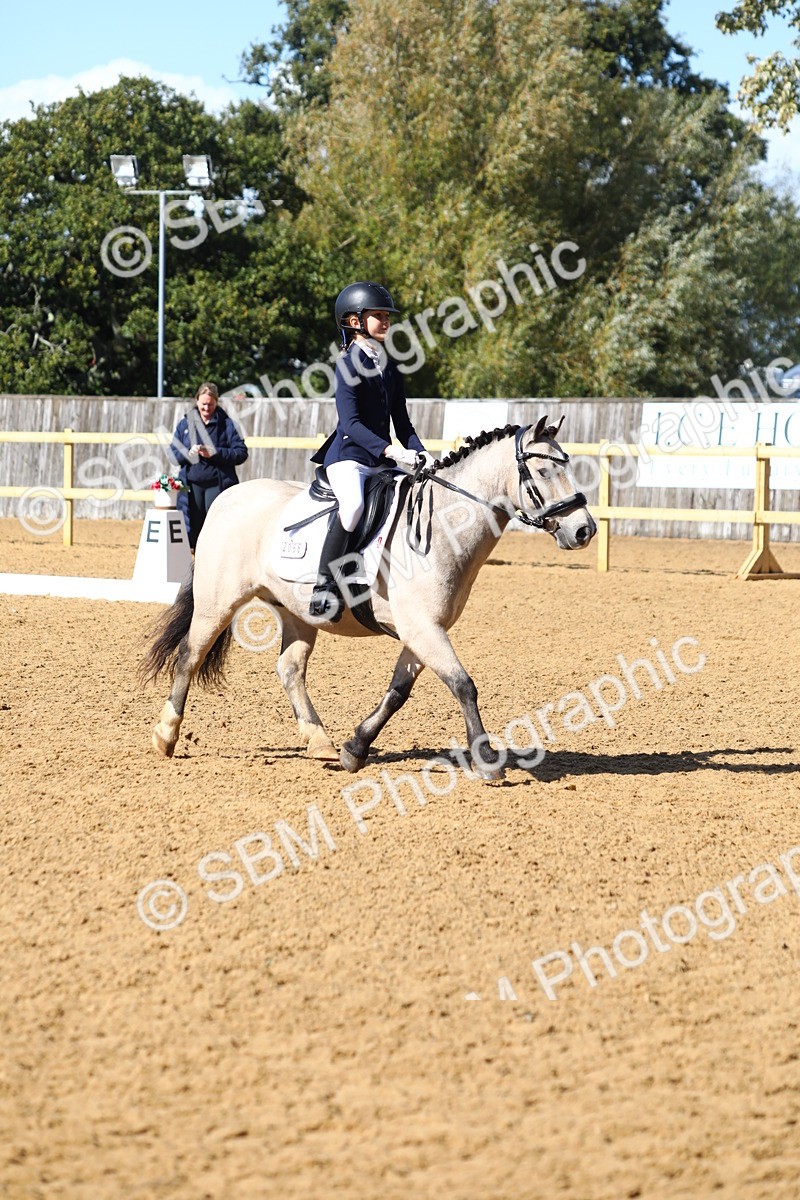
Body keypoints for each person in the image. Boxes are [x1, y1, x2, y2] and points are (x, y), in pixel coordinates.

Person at [309, 281, 434, 620]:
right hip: (348, 457)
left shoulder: (390, 367)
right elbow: (350, 424)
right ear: (354, 322)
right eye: (377, 316)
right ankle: (324, 587)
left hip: (381, 459)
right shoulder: (347, 363)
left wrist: (422, 454)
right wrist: (392, 451)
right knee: (353, 506)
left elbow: (403, 422)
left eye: (386, 316)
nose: (385, 321)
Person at [171, 383, 248, 549]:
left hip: (217, 484)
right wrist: (188, 454)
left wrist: (215, 452)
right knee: (192, 526)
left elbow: (241, 453)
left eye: (210, 404)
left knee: (216, 526)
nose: (206, 408)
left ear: (217, 402)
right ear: (197, 400)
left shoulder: (227, 424)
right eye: (203, 404)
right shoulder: (185, 424)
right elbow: (173, 455)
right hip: (191, 484)